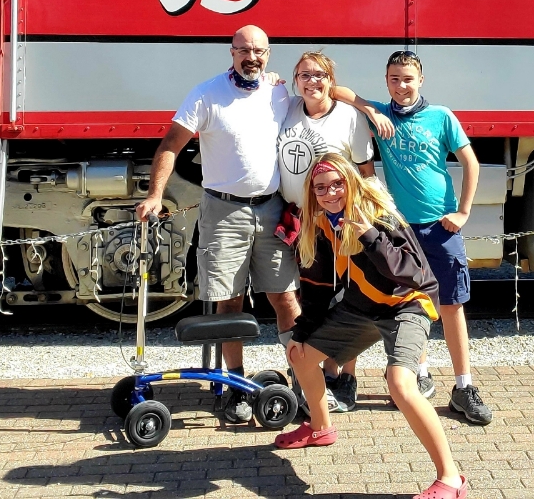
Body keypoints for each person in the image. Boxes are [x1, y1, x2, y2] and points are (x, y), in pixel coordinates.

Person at [134, 26, 379, 379]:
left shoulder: (278, 92)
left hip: (271, 210)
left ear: (268, 55)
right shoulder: (206, 95)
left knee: (286, 297)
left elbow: (324, 87)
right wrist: (155, 195)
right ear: (231, 52)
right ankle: (234, 382)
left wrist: (366, 106)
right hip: (223, 211)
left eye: (259, 51)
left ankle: (301, 377)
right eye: (244, 50)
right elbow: (170, 145)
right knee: (229, 302)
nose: (252, 58)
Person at [276, 153, 468, 499]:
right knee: (301, 355)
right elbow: (318, 290)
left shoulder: (380, 215)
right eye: (321, 187)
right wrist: (302, 332)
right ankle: (320, 428)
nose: (331, 193)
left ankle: (450, 478)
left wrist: (368, 235)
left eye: (337, 183)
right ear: (312, 193)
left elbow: (414, 273)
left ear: (351, 181)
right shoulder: (319, 224)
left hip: (407, 304)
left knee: (400, 383)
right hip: (362, 308)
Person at [371, 49, 493, 426]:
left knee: (452, 305)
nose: (401, 86)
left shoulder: (441, 116)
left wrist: (463, 212)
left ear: (421, 80)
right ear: (386, 81)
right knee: (408, 303)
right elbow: (340, 91)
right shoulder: (382, 115)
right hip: (401, 230)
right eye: (394, 79)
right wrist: (371, 109)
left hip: (440, 227)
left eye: (408, 79)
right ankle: (420, 374)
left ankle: (463, 386)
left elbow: (470, 161)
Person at [276, 50, 377, 413]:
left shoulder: (349, 117)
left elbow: (365, 173)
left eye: (320, 75)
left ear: (331, 80)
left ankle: (343, 376)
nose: (312, 81)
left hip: (338, 219)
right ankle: (310, 374)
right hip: (298, 219)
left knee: (347, 297)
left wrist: (371, 218)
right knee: (309, 298)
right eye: (304, 74)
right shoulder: (287, 108)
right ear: (296, 79)